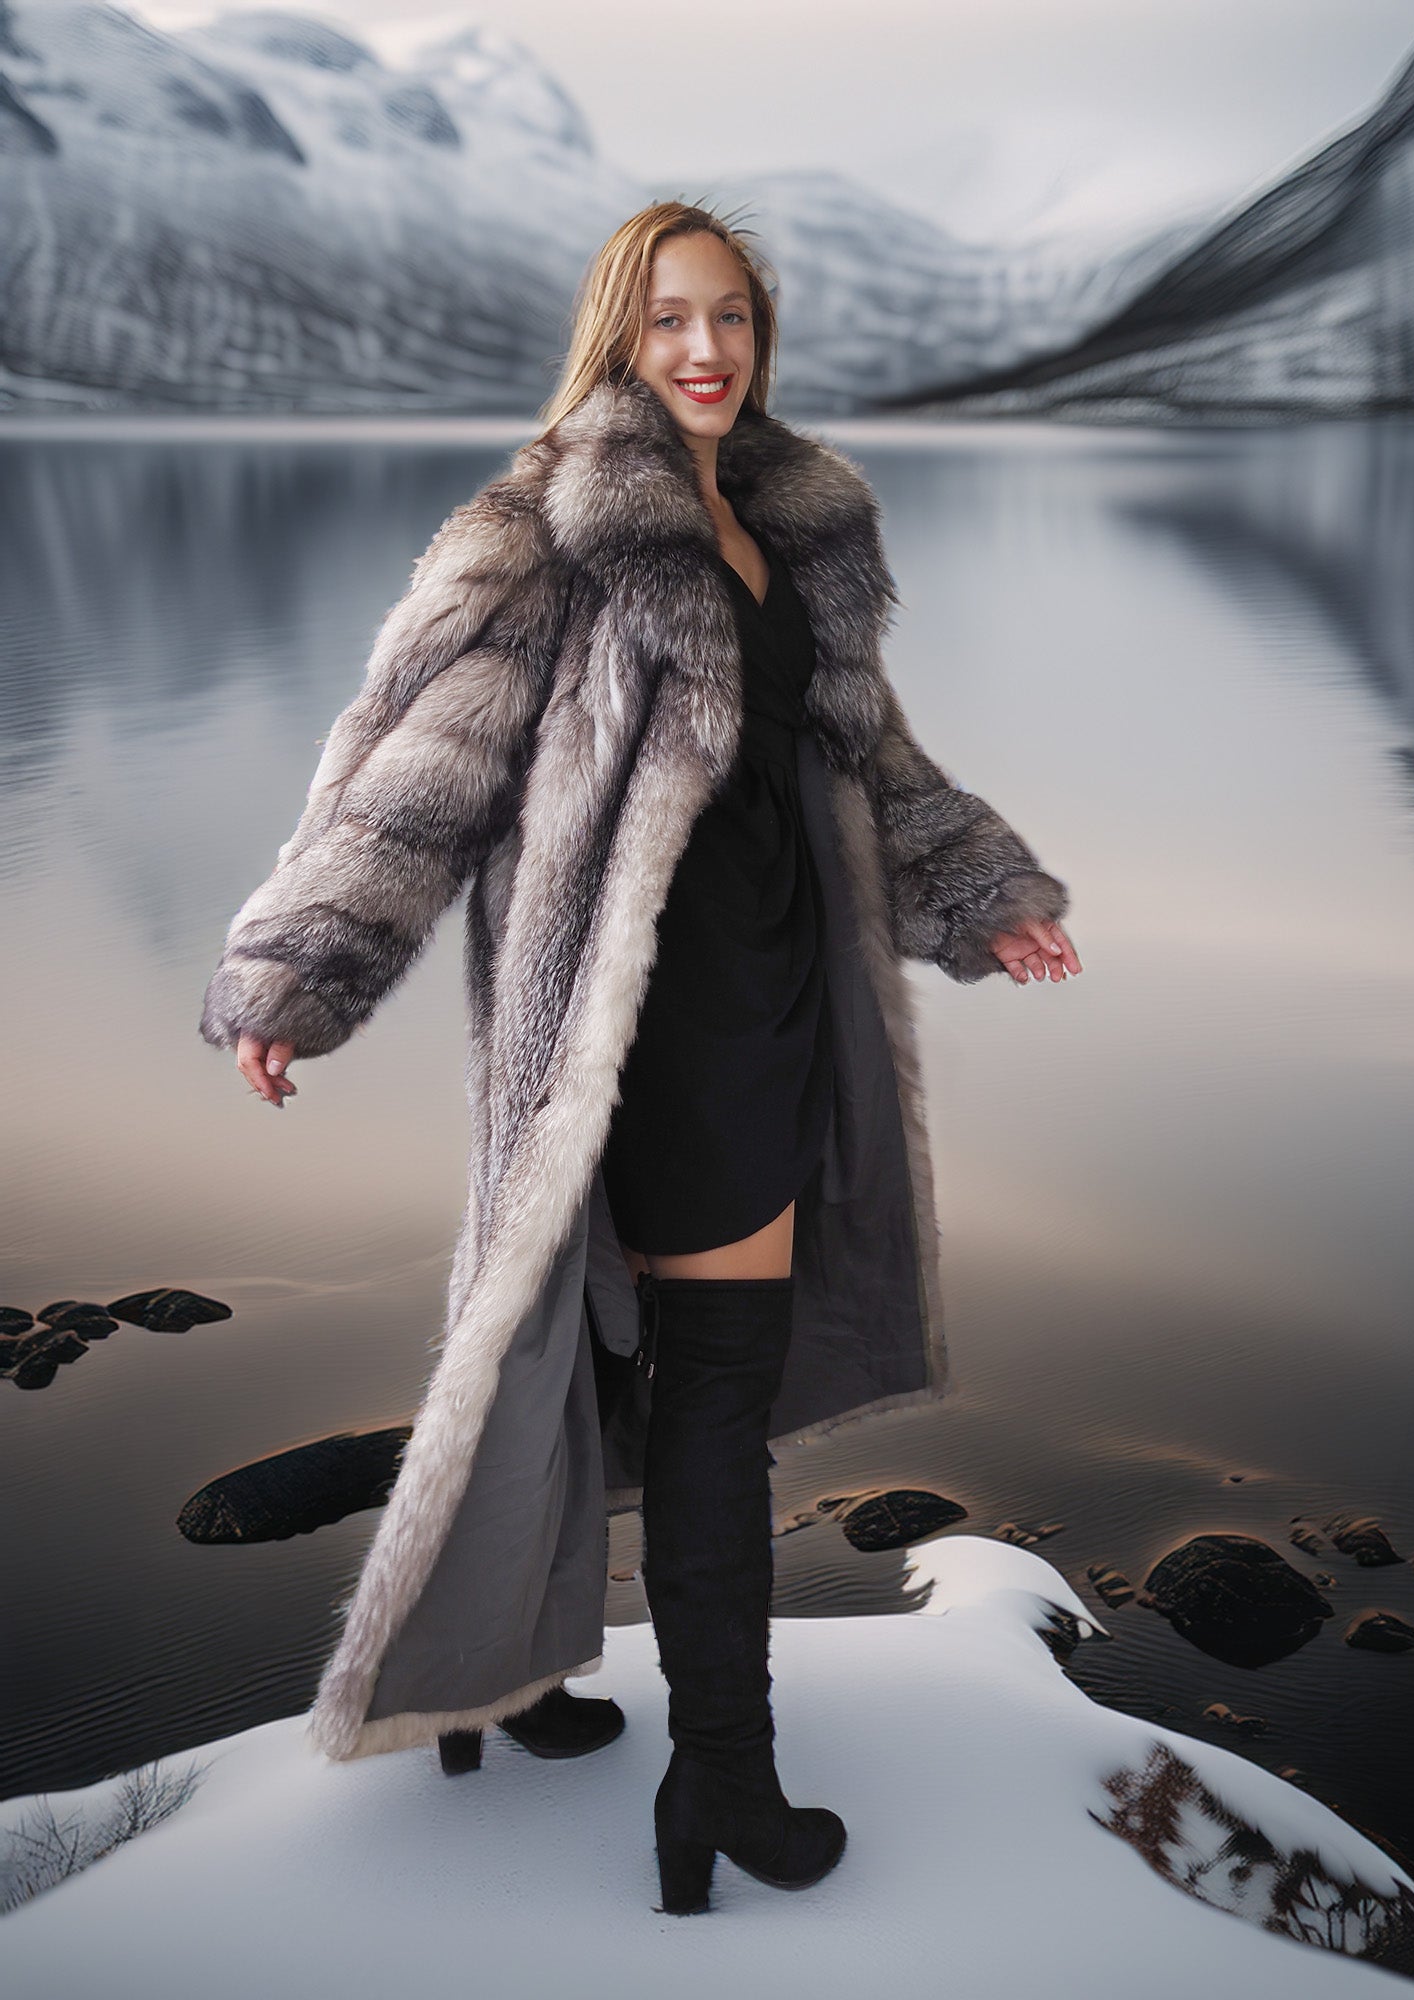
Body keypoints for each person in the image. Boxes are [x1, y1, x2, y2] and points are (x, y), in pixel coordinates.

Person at [203, 200, 1080, 1916]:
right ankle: (723, 1781)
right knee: (709, 1396)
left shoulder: (791, 523)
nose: (706, 351)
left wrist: (977, 895)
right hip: (634, 1017)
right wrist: (303, 966)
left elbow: (865, 757)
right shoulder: (542, 533)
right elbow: (413, 768)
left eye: (733, 318)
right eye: (671, 319)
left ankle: (516, 1688)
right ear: (617, 334)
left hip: (777, 991)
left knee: (608, 1364)